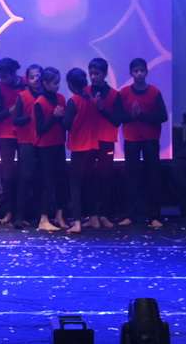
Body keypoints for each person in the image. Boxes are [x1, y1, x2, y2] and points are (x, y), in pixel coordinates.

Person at [117, 57, 168, 230]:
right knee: (131, 177)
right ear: (131, 73)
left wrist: (142, 115)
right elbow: (119, 117)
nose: (139, 74)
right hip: (131, 139)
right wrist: (131, 115)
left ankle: (154, 216)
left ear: (146, 72)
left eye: (142, 70)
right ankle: (130, 215)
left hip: (150, 140)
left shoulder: (154, 92)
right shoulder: (124, 93)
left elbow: (163, 116)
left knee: (153, 176)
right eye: (135, 71)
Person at [63, 67, 103, 234]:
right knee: (90, 182)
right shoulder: (91, 100)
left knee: (75, 185)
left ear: (70, 85)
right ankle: (94, 218)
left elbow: (66, 124)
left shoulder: (74, 101)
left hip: (79, 147)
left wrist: (59, 116)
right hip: (93, 146)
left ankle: (77, 222)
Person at [88, 58, 124, 227]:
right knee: (89, 177)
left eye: (96, 74)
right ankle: (91, 215)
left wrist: (102, 108)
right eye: (91, 73)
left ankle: (104, 214)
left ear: (104, 74)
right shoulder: (85, 92)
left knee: (105, 177)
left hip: (106, 140)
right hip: (88, 142)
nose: (93, 77)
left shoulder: (115, 95)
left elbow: (117, 120)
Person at [32, 66, 67, 231]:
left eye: (58, 82)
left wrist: (62, 118)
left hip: (59, 143)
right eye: (54, 83)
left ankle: (60, 215)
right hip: (45, 147)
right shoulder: (39, 102)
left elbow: (64, 123)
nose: (57, 86)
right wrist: (54, 117)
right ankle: (43, 218)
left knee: (61, 180)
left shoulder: (61, 98)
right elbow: (40, 129)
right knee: (47, 182)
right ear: (45, 83)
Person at [0, 57, 25, 225]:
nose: (3, 80)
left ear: (13, 73)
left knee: (25, 173)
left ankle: (22, 212)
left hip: (25, 133)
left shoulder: (26, 83)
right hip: (6, 133)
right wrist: (11, 109)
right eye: (0, 76)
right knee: (7, 174)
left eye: (5, 76)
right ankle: (9, 211)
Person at [11, 64, 44, 229]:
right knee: (25, 178)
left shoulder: (47, 95)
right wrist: (29, 118)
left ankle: (40, 216)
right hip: (26, 142)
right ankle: (19, 216)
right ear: (27, 79)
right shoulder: (22, 96)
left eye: (38, 76)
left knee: (41, 179)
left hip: (45, 142)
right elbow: (15, 120)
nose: (35, 80)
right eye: (32, 77)